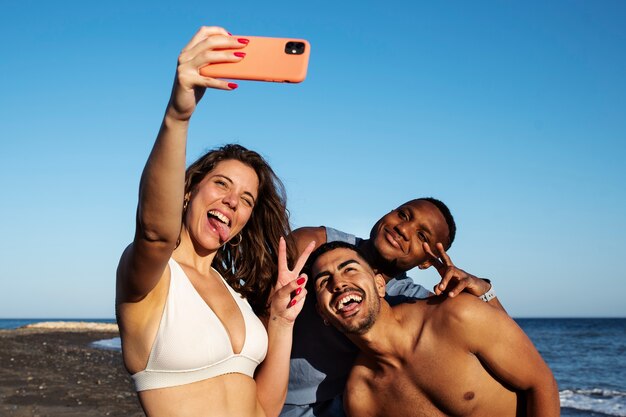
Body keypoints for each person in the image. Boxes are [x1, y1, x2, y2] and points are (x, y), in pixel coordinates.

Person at [115, 26, 314, 417]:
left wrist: (280, 320)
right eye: (221, 184)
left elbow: (265, 408)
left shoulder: (234, 296)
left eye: (245, 199)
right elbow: (155, 232)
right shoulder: (153, 277)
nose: (231, 201)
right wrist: (178, 114)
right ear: (188, 190)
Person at [281, 198, 503, 417]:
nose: (403, 229)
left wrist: (484, 290)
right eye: (404, 215)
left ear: (428, 261)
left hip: (345, 404)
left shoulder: (410, 298)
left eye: (421, 235)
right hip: (272, 394)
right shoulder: (315, 245)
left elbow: (502, 341)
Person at [311, 241, 560, 417]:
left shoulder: (457, 316)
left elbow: (540, 384)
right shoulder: (360, 397)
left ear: (379, 284)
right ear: (323, 313)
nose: (339, 283)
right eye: (324, 281)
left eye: (350, 270)